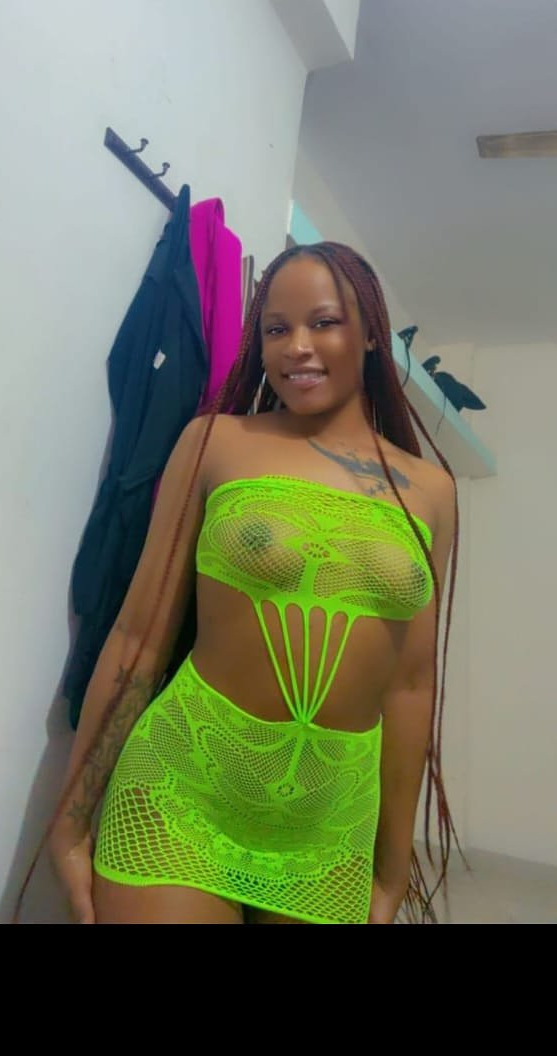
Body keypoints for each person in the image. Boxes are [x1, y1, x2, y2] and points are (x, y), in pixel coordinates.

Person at [47, 241, 457, 925]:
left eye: (323, 322)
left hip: (329, 831)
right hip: (181, 795)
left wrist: (390, 873)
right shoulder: (215, 442)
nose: (297, 347)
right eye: (275, 328)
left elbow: (411, 686)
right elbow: (139, 637)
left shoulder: (431, 491)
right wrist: (70, 821)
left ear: (371, 332)